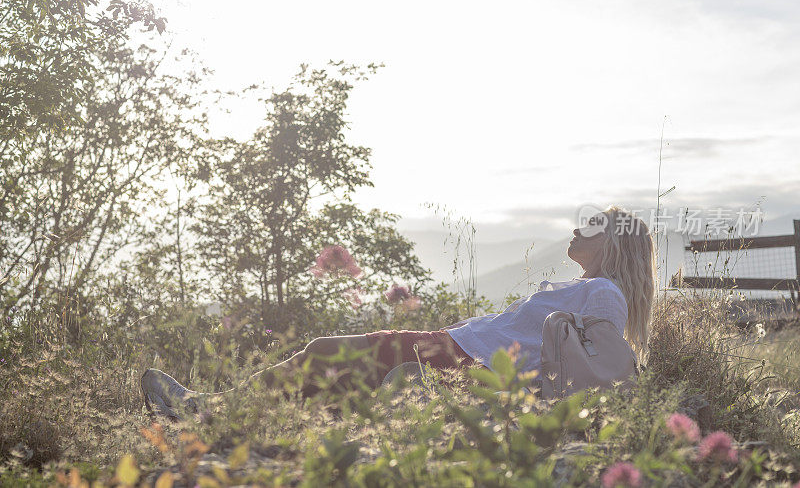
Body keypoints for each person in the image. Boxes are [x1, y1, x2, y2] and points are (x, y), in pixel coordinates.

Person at [142, 205, 656, 419]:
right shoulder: (588, 287)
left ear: (615, 242)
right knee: (342, 378)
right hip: (462, 348)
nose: (576, 229)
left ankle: (204, 410)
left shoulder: (605, 291)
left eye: (591, 224)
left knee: (326, 354)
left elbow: (602, 364)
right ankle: (227, 416)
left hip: (467, 358)